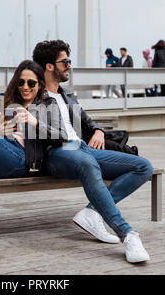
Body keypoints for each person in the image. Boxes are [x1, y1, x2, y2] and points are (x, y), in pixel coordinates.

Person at [33, 40, 154, 263]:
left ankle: (92, 212)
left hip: (81, 147)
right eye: (65, 61)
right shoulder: (33, 93)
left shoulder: (67, 95)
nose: (69, 65)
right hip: (57, 151)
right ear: (49, 66)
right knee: (87, 163)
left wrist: (98, 130)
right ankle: (127, 234)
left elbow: (88, 121)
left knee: (143, 166)